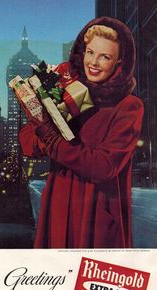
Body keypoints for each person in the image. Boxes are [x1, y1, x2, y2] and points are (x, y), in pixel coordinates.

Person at [19, 17, 144, 248]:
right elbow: (28, 144)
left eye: (105, 56)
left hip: (96, 216)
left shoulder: (129, 106)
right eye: (90, 52)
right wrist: (43, 118)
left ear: (119, 62)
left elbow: (103, 166)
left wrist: (52, 140)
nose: (94, 63)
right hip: (57, 208)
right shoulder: (66, 86)